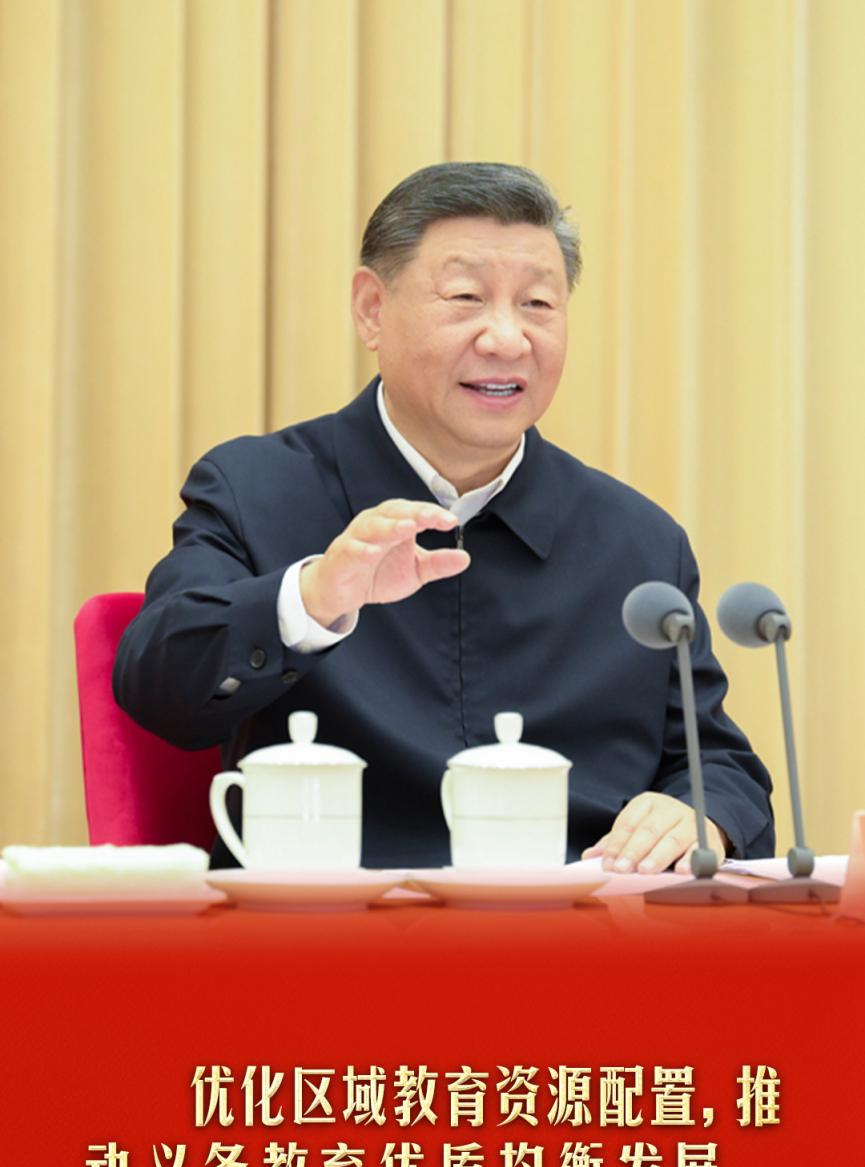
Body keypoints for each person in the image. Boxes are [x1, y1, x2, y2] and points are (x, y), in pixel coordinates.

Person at [114, 162, 773, 872]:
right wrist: (311, 599)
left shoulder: (637, 542)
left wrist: (700, 811)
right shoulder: (254, 488)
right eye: (465, 297)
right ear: (372, 309)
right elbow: (158, 685)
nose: (507, 339)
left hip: (573, 918)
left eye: (538, 304)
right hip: (330, 919)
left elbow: (717, 763)